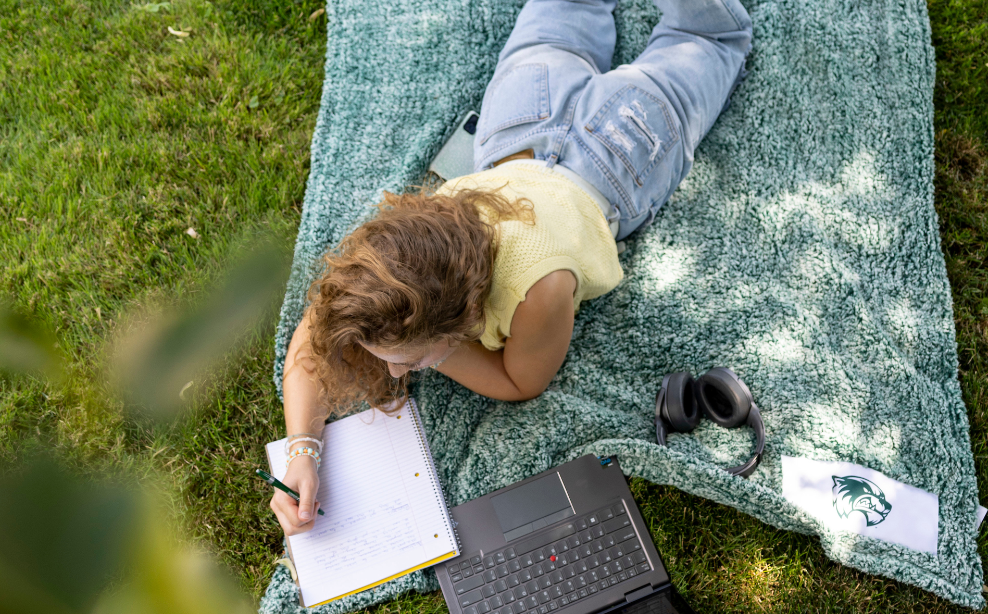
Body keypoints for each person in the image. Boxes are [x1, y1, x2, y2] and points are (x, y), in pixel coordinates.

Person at [271, 0, 753, 536]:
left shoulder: (540, 290)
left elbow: (521, 379)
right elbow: (315, 334)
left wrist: (445, 353)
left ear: (463, 318)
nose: (394, 373)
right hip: (520, 122)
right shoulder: (389, 256)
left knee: (711, 36)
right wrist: (303, 453)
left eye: (410, 358)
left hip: (617, 158)